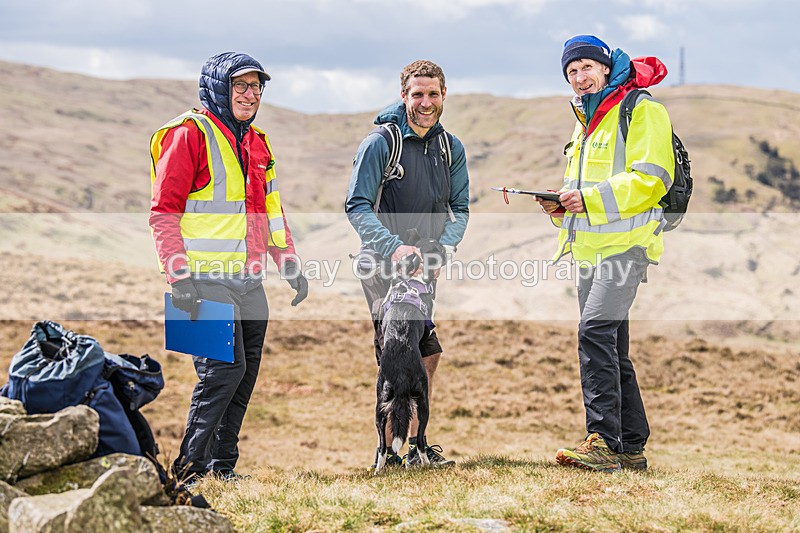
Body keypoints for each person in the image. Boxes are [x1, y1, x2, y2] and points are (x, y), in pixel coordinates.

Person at [149, 52, 308, 483]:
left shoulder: (259, 142)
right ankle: (189, 469)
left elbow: (269, 209)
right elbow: (164, 212)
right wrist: (176, 274)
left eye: (257, 86)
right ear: (218, 88)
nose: (250, 94)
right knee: (223, 370)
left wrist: (287, 260)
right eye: (241, 85)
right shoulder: (188, 135)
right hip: (200, 279)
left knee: (245, 373)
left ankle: (222, 468)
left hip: (249, 278)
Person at [535, 35, 674, 472]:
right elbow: (583, 190)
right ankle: (631, 447)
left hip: (627, 247)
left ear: (605, 66)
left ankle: (603, 444)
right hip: (590, 251)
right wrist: (561, 206)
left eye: (586, 68)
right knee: (611, 346)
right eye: (571, 72)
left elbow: (653, 178)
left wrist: (589, 199)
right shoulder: (584, 121)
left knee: (593, 333)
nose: (579, 77)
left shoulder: (641, 108)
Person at [345, 60, 470, 468]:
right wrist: (396, 248)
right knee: (395, 352)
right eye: (417, 94)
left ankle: (414, 446)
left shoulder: (450, 148)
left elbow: (461, 208)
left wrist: (440, 250)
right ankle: (387, 452)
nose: (426, 102)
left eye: (433, 94)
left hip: (424, 268)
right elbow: (357, 206)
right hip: (382, 264)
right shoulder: (381, 142)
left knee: (426, 350)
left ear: (443, 95)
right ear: (404, 96)